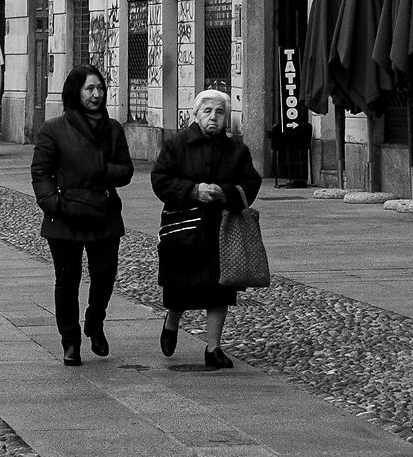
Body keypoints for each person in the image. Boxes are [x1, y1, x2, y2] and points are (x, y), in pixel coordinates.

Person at [30, 65, 134, 366]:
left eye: (100, 88)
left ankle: (95, 321)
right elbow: (41, 172)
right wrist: (53, 203)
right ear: (76, 91)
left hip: (103, 214)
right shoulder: (54, 129)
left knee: (104, 275)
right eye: (89, 88)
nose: (96, 94)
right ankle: (70, 340)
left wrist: (100, 168)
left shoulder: (113, 129)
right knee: (67, 280)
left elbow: (125, 171)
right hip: (66, 216)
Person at [151, 87, 260, 370]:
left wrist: (225, 192)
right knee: (180, 287)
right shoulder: (177, 145)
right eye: (207, 111)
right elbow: (161, 180)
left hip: (222, 231)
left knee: (219, 289)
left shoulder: (237, 150)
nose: (213, 117)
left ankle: (214, 348)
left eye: (219, 112)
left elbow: (250, 183)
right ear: (196, 114)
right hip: (184, 229)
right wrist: (193, 190)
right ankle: (172, 321)